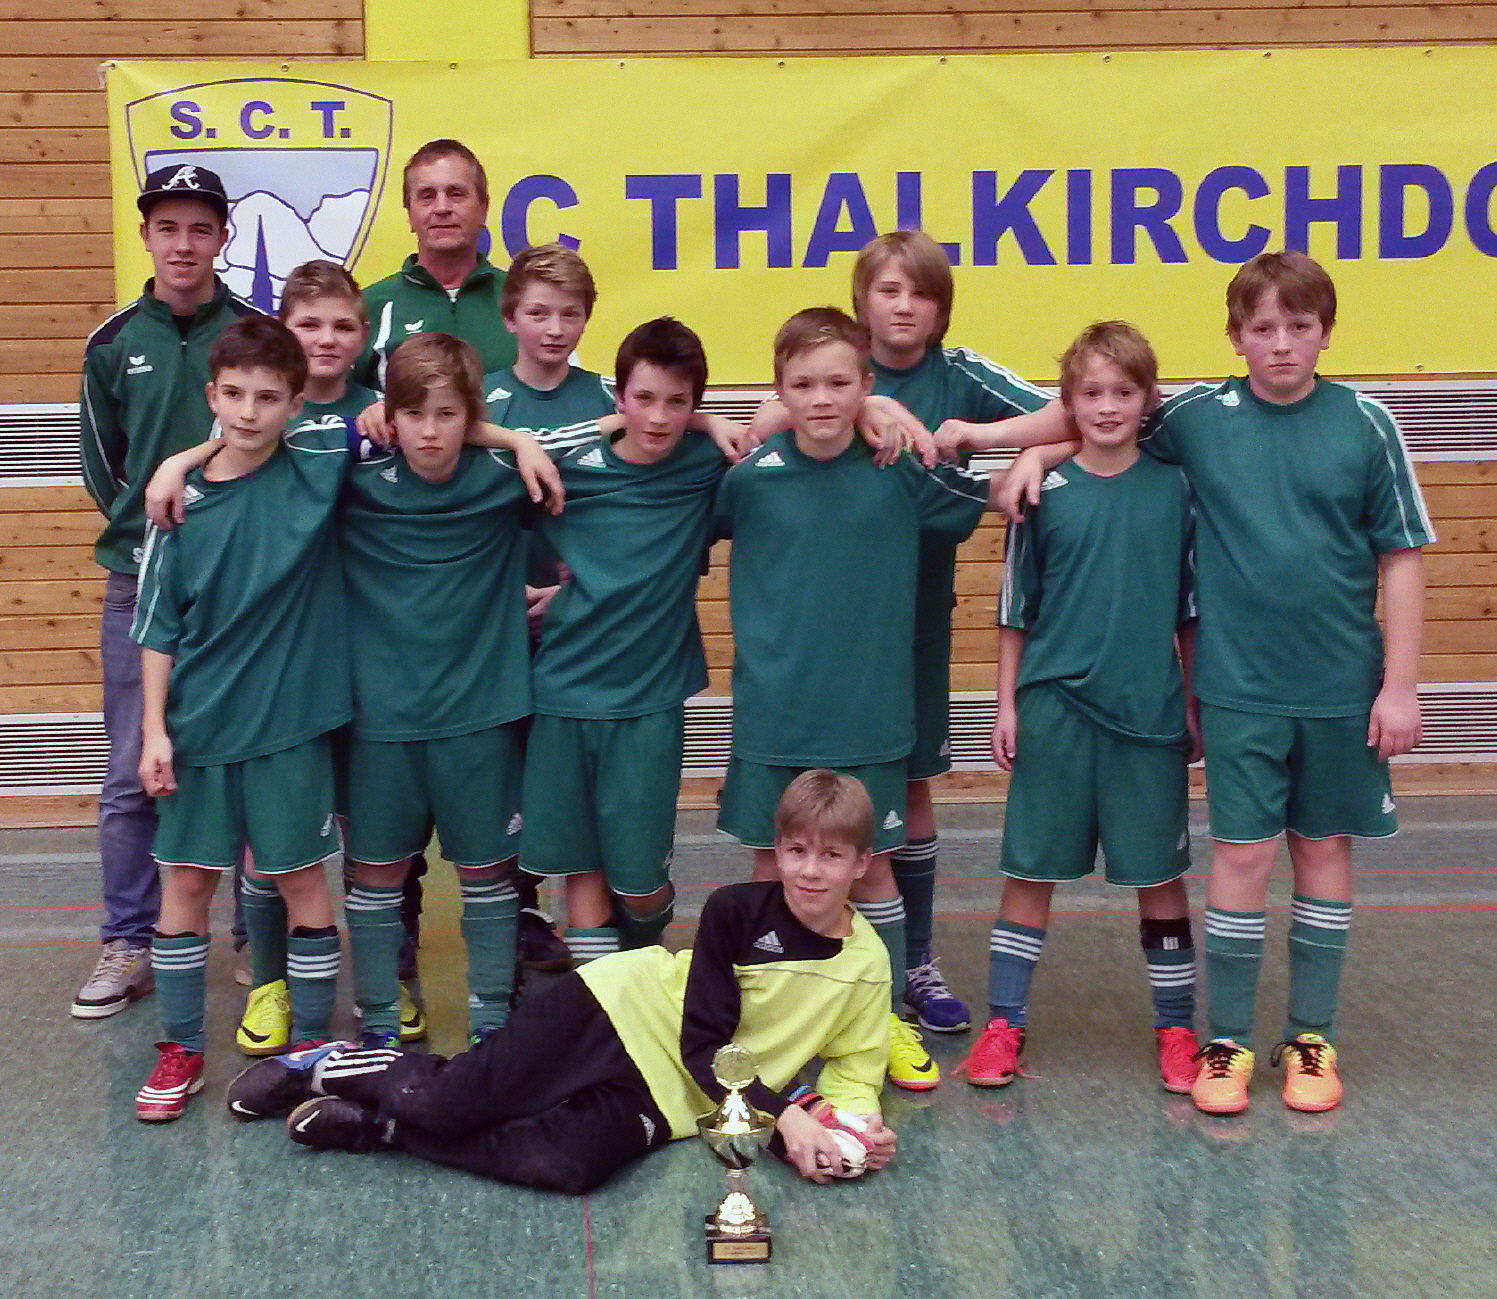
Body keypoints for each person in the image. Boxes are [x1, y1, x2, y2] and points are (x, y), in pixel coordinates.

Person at [1002, 252, 1432, 1115]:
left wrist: (1400, 685)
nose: (1281, 344)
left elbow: (1401, 557)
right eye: (1262, 328)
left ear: (1325, 333)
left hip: (1341, 688)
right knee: (1240, 854)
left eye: (1298, 327)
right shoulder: (1199, 416)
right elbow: (1102, 421)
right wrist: (1031, 452)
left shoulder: (1366, 423)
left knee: (1322, 848)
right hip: (1236, 688)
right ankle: (1226, 1038)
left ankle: (1310, 1037)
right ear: (1234, 337)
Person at [228, 770, 897, 1196]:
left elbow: (854, 1069)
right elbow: (704, 1045)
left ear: (862, 862)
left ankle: (381, 1130)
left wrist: (849, 1133)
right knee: (451, 1101)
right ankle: (332, 1066)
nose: (811, 871)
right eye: (796, 851)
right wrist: (787, 1117)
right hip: (615, 1010)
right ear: (777, 850)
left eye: (831, 855)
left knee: (566, 1166)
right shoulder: (734, 911)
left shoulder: (866, 964)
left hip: (670, 1097)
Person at [748, 230, 1067, 1037]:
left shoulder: (957, 373)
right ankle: (802, 973)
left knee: (908, 787)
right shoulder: (834, 371)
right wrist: (868, 405)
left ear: (940, 306)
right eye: (887, 290)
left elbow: (1078, 410)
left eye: (919, 292)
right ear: (860, 302)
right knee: (801, 802)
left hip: (911, 614)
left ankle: (913, 961)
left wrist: (1010, 451)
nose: (902, 305)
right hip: (825, 620)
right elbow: (762, 420)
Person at [715, 306, 1010, 1091]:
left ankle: (880, 1018)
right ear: (779, 390)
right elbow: (663, 515)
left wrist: (1033, 463)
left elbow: (1001, 490)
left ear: (866, 384)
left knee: (872, 871)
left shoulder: (898, 468)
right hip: (774, 718)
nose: (821, 398)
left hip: (870, 718)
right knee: (769, 872)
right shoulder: (747, 479)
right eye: (803, 384)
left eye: (839, 383)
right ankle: (770, 1021)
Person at [959, 322, 1201, 1094]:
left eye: (1122, 391)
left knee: (1159, 876)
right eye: (1090, 393)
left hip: (1146, 712)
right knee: (1029, 870)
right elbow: (1013, 612)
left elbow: (1189, 612)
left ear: (1146, 399)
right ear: (1068, 402)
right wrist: (1006, 704)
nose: (1105, 406)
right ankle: (1003, 1024)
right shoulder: (1040, 492)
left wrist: (1192, 700)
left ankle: (1176, 1029)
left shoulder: (1175, 488)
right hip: (1053, 707)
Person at [129, 317, 350, 1121]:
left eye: (267, 397)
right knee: (187, 882)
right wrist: (155, 731)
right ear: (211, 395)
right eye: (234, 394)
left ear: (294, 403)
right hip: (199, 729)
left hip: (289, 728)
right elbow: (157, 629)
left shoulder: (321, 464)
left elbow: (409, 419)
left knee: (301, 880)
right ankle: (182, 1048)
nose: (249, 411)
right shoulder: (177, 506)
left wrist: (518, 441)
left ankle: (311, 1047)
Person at [73, 164, 260, 1021]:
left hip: (240, 585)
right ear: (146, 235)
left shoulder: (255, 332)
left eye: (200, 228)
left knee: (252, 755)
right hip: (139, 580)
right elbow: (102, 464)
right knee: (131, 769)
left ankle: (256, 936)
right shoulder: (112, 343)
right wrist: (157, 533)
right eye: (168, 228)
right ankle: (128, 939)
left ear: (221, 237)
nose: (183, 245)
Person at [339, 332, 552, 1050]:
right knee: (376, 872)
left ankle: (492, 1017)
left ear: (471, 416)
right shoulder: (351, 476)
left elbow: (619, 439)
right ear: (389, 415)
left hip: (481, 713)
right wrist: (176, 464)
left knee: (486, 868)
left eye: (447, 414)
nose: (430, 432)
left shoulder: (503, 476)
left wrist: (515, 439)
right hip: (379, 719)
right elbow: (267, 441)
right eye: (413, 414)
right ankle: (378, 1022)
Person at [520, 317, 726, 963]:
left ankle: (643, 958)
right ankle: (605, 1011)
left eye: (677, 402)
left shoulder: (704, 465)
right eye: (643, 398)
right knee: (581, 872)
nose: (658, 417)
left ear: (695, 404)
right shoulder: (568, 466)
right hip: (563, 696)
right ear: (618, 397)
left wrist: (709, 424)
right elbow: (476, 467)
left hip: (647, 704)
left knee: (637, 887)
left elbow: (784, 421)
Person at [354, 139, 517, 390]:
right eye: (427, 196)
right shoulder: (369, 308)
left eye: (456, 194)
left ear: (483, 209)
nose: (442, 208)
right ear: (410, 215)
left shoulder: (523, 302)